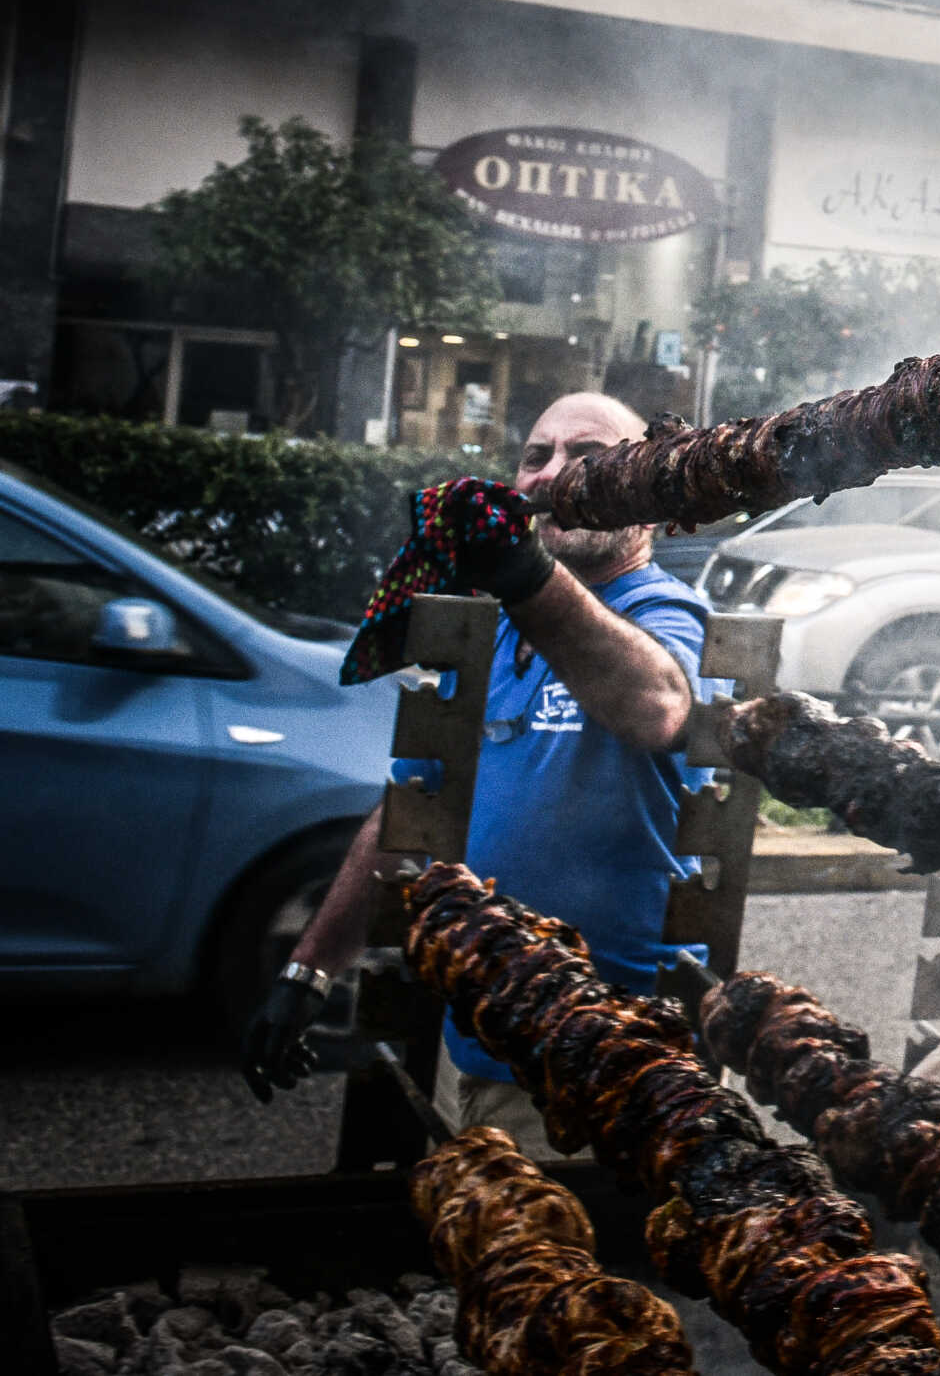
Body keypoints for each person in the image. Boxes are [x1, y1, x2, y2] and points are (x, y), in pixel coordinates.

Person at [238, 392, 709, 1154]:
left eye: (590, 458)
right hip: (475, 1037)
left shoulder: (665, 612)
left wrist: (526, 577)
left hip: (604, 1057)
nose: (555, 475)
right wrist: (309, 968)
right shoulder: (494, 634)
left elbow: (657, 705)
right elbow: (410, 808)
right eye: (536, 456)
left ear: (649, 502)